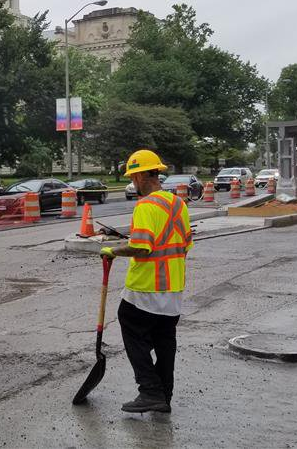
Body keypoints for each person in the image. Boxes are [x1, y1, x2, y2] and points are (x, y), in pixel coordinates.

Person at [100, 149, 193, 414]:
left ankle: (150, 390)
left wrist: (113, 251)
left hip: (147, 286)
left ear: (141, 175)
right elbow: (185, 245)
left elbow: (141, 247)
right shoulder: (178, 204)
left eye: (132, 177)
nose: (132, 183)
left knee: (129, 323)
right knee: (165, 341)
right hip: (173, 288)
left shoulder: (145, 206)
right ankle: (164, 395)